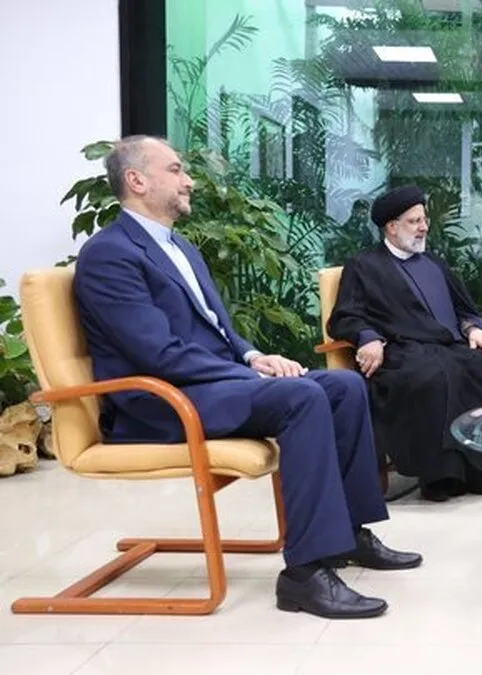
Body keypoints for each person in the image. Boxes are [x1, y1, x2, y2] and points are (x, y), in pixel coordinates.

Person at [73, 136, 419, 620]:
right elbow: (156, 352)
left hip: (211, 386)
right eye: (175, 170)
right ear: (137, 180)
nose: (188, 180)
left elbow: (217, 329)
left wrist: (255, 356)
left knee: (344, 386)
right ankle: (303, 574)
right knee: (301, 398)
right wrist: (245, 373)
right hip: (162, 402)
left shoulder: (180, 247)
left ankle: (348, 533)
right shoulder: (108, 255)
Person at [327, 185, 482, 502]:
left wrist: (474, 328)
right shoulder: (364, 265)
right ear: (391, 227)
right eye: (414, 221)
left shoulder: (435, 263)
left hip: (452, 349)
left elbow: (465, 310)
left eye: (424, 220)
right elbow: (345, 316)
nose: (423, 227)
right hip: (403, 353)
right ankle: (440, 477)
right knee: (434, 378)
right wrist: (369, 338)